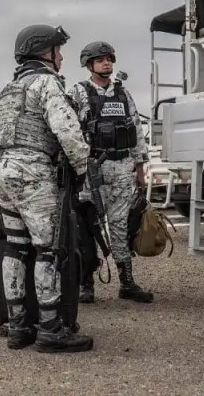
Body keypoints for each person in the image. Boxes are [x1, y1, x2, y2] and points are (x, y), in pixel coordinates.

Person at [0, 24, 92, 353]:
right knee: (48, 250)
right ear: (43, 52)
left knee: (15, 247)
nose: (61, 56)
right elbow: (68, 131)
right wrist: (81, 169)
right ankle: (51, 328)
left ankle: (18, 326)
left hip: (1, 169)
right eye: (57, 50)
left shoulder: (9, 87)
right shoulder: (46, 81)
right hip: (32, 170)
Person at [69, 41, 153, 304]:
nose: (107, 63)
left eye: (109, 59)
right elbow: (70, 132)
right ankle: (86, 283)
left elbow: (136, 130)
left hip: (121, 168)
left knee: (119, 226)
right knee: (89, 228)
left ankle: (126, 282)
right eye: (101, 59)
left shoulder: (122, 94)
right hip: (92, 171)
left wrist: (140, 168)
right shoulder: (79, 93)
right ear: (89, 64)